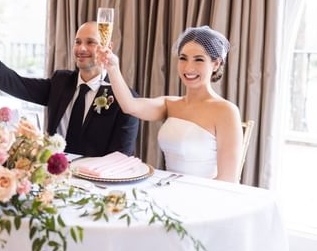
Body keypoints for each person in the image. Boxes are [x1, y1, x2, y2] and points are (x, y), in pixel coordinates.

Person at [0, 21, 139, 157]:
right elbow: (20, 85)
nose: (81, 48)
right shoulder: (61, 82)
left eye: (90, 42)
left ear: (108, 47)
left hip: (96, 186)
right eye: (77, 42)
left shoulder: (126, 99)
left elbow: (121, 157)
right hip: (52, 176)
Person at [97, 26, 243, 182]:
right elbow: (129, 105)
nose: (189, 67)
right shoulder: (169, 104)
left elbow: (228, 179)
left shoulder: (226, 111)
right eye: (183, 58)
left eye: (199, 59)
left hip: (204, 196)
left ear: (216, 63)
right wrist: (113, 68)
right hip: (167, 188)